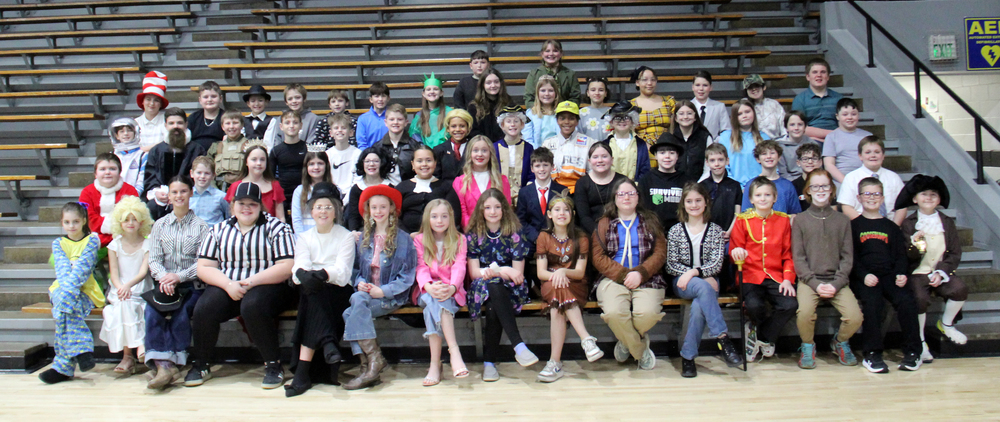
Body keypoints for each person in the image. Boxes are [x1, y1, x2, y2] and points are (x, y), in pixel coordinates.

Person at [188, 182, 297, 389]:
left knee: (252, 305)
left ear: (261, 206)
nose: (246, 208)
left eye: (252, 204)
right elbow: (204, 267)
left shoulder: (277, 227)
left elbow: (286, 266)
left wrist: (252, 282)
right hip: (229, 285)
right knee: (204, 308)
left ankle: (273, 365)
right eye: (241, 203)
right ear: (232, 205)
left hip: (269, 286)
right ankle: (201, 364)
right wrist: (228, 284)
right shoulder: (218, 230)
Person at [342, 185, 417, 390]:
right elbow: (356, 270)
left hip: (391, 296)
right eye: (374, 207)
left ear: (391, 209)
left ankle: (369, 364)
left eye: (383, 207)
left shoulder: (403, 240)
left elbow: (407, 277)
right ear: (368, 211)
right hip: (367, 295)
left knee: (350, 313)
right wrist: (359, 283)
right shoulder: (364, 238)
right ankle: (371, 366)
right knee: (357, 300)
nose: (378, 211)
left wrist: (382, 291)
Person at [284, 183, 356, 397]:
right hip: (313, 289)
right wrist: (307, 276)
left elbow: (342, 273)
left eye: (328, 207)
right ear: (312, 211)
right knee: (312, 292)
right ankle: (327, 342)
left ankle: (302, 374)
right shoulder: (305, 237)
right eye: (318, 207)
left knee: (313, 295)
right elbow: (299, 267)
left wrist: (322, 274)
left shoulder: (345, 236)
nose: (323, 211)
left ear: (336, 211)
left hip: (338, 291)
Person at [665, 183, 743, 377]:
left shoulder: (716, 230)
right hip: (683, 284)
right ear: (683, 204)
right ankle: (723, 338)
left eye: (698, 200)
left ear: (706, 202)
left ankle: (688, 357)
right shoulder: (675, 230)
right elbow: (671, 264)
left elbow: (717, 263)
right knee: (702, 287)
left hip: (709, 282)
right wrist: (692, 275)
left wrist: (694, 273)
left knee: (700, 306)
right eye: (689, 201)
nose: (694, 205)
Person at [592, 178, 666, 370]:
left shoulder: (650, 220)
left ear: (638, 197)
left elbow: (660, 252)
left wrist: (641, 273)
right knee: (614, 313)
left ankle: (626, 342)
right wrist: (624, 275)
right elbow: (598, 257)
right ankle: (639, 350)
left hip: (647, 278)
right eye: (621, 194)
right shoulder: (604, 223)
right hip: (613, 279)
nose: (627, 197)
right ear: (614, 198)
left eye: (631, 193)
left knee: (647, 314)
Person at [143, 176, 209, 390]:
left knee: (182, 314)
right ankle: (164, 366)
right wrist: (164, 277)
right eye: (174, 192)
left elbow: (203, 262)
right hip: (165, 285)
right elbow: (153, 259)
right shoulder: (160, 225)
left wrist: (178, 277)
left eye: (183, 191)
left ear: (190, 193)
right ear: (168, 196)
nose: (179, 195)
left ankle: (171, 364)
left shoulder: (202, 227)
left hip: (191, 285)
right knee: (152, 312)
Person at [466, 188, 539, 381]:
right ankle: (518, 345)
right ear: (481, 210)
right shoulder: (473, 235)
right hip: (481, 285)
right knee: (493, 287)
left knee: (493, 303)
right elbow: (474, 273)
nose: (492, 211)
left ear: (504, 209)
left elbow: (518, 274)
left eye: (497, 207)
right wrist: (502, 270)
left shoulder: (514, 233)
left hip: (511, 287)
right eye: (488, 207)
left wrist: (498, 273)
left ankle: (489, 363)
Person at [791, 169, 862, 369]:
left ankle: (840, 342)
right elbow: (799, 257)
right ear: (808, 191)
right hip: (809, 280)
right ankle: (807, 345)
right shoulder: (801, 220)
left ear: (831, 190)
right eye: (815, 186)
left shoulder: (842, 220)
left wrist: (837, 283)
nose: (820, 190)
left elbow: (847, 257)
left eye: (825, 186)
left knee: (855, 317)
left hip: (837, 280)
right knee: (804, 313)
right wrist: (814, 283)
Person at [850, 177, 922, 373]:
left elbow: (900, 255)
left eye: (876, 194)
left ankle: (913, 352)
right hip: (865, 277)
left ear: (882, 198)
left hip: (890, 275)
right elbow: (851, 256)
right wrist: (863, 275)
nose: (872, 198)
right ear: (859, 197)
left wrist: (901, 273)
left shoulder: (891, 227)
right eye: (867, 194)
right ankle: (872, 354)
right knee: (873, 304)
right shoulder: (853, 226)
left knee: (906, 301)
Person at [895, 175, 970, 363]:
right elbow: (908, 255)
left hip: (940, 270)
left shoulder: (947, 222)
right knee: (919, 298)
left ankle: (946, 324)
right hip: (918, 271)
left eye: (933, 195)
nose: (928, 198)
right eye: (924, 194)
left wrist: (941, 271)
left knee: (959, 288)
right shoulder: (909, 224)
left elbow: (954, 252)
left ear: (939, 199)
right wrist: (916, 244)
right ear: (915, 199)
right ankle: (920, 341)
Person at [535, 193, 604, 383]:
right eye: (557, 210)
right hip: (549, 283)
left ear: (572, 214)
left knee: (558, 306)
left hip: (575, 285)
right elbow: (542, 273)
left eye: (566, 210)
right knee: (557, 289)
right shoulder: (543, 236)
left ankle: (554, 363)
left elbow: (580, 272)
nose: (562, 213)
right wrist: (557, 275)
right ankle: (586, 339)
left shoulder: (581, 237)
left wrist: (563, 273)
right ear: (549, 214)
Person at [730, 177, 797, 363]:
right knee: (753, 305)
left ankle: (762, 337)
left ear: (775, 198)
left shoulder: (783, 221)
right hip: (750, 274)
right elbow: (734, 250)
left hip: (776, 275)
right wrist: (737, 252)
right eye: (758, 195)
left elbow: (788, 254)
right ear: (751, 199)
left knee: (790, 305)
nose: (763, 199)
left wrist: (787, 279)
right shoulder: (743, 221)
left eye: (767, 195)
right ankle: (754, 329)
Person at [38, 202, 102, 384]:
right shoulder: (58, 243)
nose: (71, 226)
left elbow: (82, 269)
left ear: (83, 221)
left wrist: (69, 294)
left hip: (86, 291)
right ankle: (82, 349)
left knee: (63, 310)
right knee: (65, 305)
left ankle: (63, 367)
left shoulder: (91, 241)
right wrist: (68, 293)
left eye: (75, 221)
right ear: (62, 223)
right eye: (67, 222)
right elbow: (62, 268)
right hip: (61, 289)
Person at [412, 199, 469, 386]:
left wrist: (452, 287)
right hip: (426, 289)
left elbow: (460, 267)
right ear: (427, 218)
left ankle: (434, 365)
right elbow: (420, 267)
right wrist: (428, 286)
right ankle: (454, 352)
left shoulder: (459, 239)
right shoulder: (419, 240)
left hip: (450, 290)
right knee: (432, 299)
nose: (439, 220)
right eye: (434, 216)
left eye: (444, 216)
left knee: (434, 306)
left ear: (451, 218)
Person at [100, 196, 152, 377]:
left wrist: (129, 286)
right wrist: (121, 287)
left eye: (134, 219)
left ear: (142, 221)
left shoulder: (147, 242)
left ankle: (129, 356)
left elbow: (143, 272)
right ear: (119, 222)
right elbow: (113, 273)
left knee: (129, 302)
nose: (130, 223)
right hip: (119, 287)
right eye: (126, 219)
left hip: (139, 286)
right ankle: (137, 348)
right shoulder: (114, 245)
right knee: (122, 303)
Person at [145, 107, 208, 221]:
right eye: (171, 123)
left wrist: (181, 192)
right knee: (150, 208)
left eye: (179, 123)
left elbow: (198, 175)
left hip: (188, 196)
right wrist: (158, 192)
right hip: (162, 197)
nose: (175, 126)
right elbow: (150, 176)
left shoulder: (196, 149)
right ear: (165, 125)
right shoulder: (157, 150)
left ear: (186, 124)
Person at [836, 136, 906, 224]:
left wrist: (894, 227)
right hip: (861, 226)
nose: (873, 155)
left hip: (890, 224)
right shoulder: (851, 178)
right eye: (868, 152)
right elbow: (847, 207)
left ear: (883, 155)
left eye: (877, 152)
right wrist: (865, 226)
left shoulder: (894, 178)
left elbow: (902, 207)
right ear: (860, 156)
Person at [396, 145, 462, 233]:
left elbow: (455, 215)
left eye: (428, 160)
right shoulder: (402, 187)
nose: (424, 164)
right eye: (419, 161)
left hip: (439, 237)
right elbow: (394, 216)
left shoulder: (445, 187)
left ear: (435, 163)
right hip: (407, 238)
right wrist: (407, 235)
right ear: (413, 164)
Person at [79, 153, 139, 247]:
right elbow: (88, 219)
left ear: (120, 172)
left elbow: (133, 218)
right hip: (94, 239)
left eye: (112, 169)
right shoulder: (87, 192)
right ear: (95, 174)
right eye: (102, 169)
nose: (107, 172)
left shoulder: (130, 191)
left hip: (125, 238)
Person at [453, 135, 511, 229]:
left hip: (498, 233)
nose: (480, 154)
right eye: (475, 150)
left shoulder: (502, 180)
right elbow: (462, 213)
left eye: (484, 150)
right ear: (469, 154)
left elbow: (506, 209)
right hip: (472, 235)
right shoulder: (459, 182)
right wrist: (476, 233)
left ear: (490, 153)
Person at [516, 147, 567, 253]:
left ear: (552, 167)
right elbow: (521, 220)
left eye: (545, 165)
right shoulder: (524, 192)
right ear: (532, 168)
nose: (542, 169)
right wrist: (536, 237)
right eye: (537, 166)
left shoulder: (562, 190)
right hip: (532, 239)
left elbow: (566, 217)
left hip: (556, 237)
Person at [574, 142, 629, 234]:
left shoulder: (623, 181)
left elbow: (629, 210)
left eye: (604, 156)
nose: (600, 160)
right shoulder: (582, 183)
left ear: (612, 160)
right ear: (589, 161)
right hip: (591, 232)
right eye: (595, 157)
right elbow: (584, 217)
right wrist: (599, 233)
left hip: (621, 230)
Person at [638, 133, 689, 231]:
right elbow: (642, 210)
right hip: (653, 231)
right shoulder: (646, 180)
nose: (667, 157)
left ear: (677, 156)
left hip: (681, 231)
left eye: (672, 153)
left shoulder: (686, 181)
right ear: (655, 155)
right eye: (662, 152)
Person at [542, 101, 594, 194]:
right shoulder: (547, 144)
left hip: (581, 191)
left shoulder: (589, 142)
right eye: (562, 118)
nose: (567, 122)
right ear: (557, 120)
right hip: (553, 191)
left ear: (577, 121)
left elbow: (592, 171)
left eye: (571, 118)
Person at [225, 143, 286, 221]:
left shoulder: (275, 186)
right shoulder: (236, 186)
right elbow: (234, 217)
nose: (259, 163)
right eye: (254, 159)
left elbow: (280, 217)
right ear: (246, 162)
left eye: (262, 160)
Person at [740, 140, 803, 215]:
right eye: (764, 154)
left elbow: (795, 214)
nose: (769, 156)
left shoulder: (787, 185)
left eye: (772, 153)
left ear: (779, 157)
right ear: (758, 159)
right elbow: (745, 213)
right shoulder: (751, 184)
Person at [718, 99, 769, 186]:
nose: (744, 116)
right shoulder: (725, 137)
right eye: (739, 114)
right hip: (734, 188)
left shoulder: (764, 137)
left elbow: (772, 165)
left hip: (760, 187)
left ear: (753, 113)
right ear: (734, 117)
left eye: (747, 112)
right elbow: (722, 166)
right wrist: (737, 187)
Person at [630, 66, 676, 160]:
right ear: (637, 82)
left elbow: (674, 129)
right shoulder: (630, 106)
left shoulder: (669, 102)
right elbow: (629, 132)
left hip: (667, 151)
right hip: (641, 151)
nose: (649, 83)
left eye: (653, 80)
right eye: (645, 80)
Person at [823, 98, 873, 185]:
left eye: (853, 114)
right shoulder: (831, 137)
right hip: (841, 181)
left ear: (858, 116)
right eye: (845, 114)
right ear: (837, 116)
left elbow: (873, 160)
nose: (849, 117)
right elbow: (829, 165)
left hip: (865, 179)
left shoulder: (868, 136)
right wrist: (847, 182)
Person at [791, 58, 843, 142]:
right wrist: (831, 135)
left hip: (837, 141)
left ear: (828, 76)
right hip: (810, 142)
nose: (819, 75)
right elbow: (798, 128)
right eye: (815, 72)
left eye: (823, 72)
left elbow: (845, 125)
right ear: (808, 77)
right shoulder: (800, 100)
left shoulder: (839, 98)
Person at [700, 143, 742, 243]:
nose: (717, 164)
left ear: (727, 161)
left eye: (720, 159)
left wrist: (729, 232)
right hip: (706, 236)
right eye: (712, 160)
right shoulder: (702, 186)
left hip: (729, 235)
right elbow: (699, 212)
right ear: (707, 162)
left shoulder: (735, 186)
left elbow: (738, 213)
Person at [270, 110, 308, 220]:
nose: (291, 126)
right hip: (283, 195)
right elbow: (271, 177)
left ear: (301, 125)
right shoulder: (276, 151)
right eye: (287, 122)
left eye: (295, 122)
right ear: (281, 126)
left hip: (304, 193)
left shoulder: (307, 149)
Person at [346, 146, 393, 232]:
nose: (371, 164)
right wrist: (354, 231)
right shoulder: (356, 188)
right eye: (367, 161)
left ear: (382, 163)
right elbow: (353, 215)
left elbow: (393, 214)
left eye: (376, 161)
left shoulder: (389, 187)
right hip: (362, 231)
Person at [291, 148, 338, 234]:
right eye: (311, 164)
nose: (316, 167)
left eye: (320, 163)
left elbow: (338, 218)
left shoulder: (334, 190)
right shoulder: (299, 191)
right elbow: (297, 219)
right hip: (305, 237)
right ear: (306, 167)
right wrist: (302, 240)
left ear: (326, 166)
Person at [601, 100, 650, 181]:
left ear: (632, 121)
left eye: (626, 117)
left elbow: (645, 170)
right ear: (611, 122)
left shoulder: (640, 144)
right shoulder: (605, 144)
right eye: (617, 117)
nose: (622, 120)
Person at [493, 104, 534, 201]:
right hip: (500, 195)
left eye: (516, 121)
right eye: (508, 121)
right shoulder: (494, 147)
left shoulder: (528, 148)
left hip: (523, 195)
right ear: (502, 125)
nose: (512, 124)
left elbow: (531, 174)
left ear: (522, 124)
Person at [523, 39, 580, 108]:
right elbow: (529, 98)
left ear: (561, 53)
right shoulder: (534, 73)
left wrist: (564, 110)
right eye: (547, 51)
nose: (551, 54)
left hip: (563, 114)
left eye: (555, 51)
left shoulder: (570, 74)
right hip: (540, 115)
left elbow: (575, 97)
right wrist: (539, 112)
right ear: (542, 54)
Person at [379, 103, 421, 185]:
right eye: (391, 119)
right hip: (386, 190)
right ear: (385, 122)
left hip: (409, 189)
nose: (396, 122)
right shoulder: (378, 147)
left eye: (400, 119)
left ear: (406, 122)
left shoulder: (415, 147)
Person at [671, 100, 713, 182]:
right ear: (676, 118)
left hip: (701, 185)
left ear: (695, 117)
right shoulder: (671, 139)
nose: (685, 117)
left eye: (689, 113)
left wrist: (699, 185)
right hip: (675, 187)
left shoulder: (705, 137)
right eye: (681, 114)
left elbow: (709, 167)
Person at [325, 113, 362, 204]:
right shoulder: (326, 154)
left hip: (352, 197)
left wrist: (345, 201)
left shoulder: (358, 154)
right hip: (331, 196)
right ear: (331, 133)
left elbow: (358, 180)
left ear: (351, 133)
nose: (340, 131)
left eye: (343, 128)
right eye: (336, 128)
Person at [208, 109, 249, 190]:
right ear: (222, 127)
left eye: (235, 123)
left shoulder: (249, 146)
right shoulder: (216, 146)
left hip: (241, 189)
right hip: (218, 189)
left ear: (242, 125)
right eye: (228, 123)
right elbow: (207, 168)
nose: (231, 126)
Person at [409, 73, 453, 148]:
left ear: (441, 93)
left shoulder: (450, 113)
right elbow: (414, 134)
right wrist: (423, 148)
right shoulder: (419, 115)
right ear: (423, 94)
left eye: (435, 89)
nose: (432, 92)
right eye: (428, 89)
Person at [468, 68, 512, 142]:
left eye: (496, 82)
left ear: (501, 83)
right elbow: (473, 132)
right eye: (488, 83)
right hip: (483, 147)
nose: (493, 85)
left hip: (505, 146)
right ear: (482, 85)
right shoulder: (474, 107)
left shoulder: (509, 104)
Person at [777, 110, 820, 181]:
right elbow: (783, 173)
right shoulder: (779, 146)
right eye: (792, 125)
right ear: (786, 128)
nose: (796, 128)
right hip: (790, 182)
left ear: (805, 127)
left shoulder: (813, 144)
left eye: (800, 124)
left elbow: (817, 168)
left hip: (811, 180)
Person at [110, 117, 147, 197]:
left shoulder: (142, 155)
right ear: (116, 135)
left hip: (134, 197)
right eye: (121, 131)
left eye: (129, 130)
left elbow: (141, 181)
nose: (126, 133)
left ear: (135, 133)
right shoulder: (112, 155)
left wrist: (133, 196)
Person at [188, 156, 231, 226]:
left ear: (213, 175)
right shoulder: (186, 196)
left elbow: (229, 218)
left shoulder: (221, 197)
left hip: (214, 234)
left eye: (207, 173)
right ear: (192, 173)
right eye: (199, 173)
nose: (202, 176)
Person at [433, 108, 473, 182]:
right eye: (453, 126)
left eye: (462, 126)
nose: (457, 129)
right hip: (446, 192)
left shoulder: (474, 148)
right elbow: (436, 178)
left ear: (468, 128)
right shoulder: (439, 150)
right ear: (448, 128)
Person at [743, 74, 786, 141]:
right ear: (746, 90)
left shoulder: (774, 104)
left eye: (757, 86)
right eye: (750, 87)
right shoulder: (743, 106)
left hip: (775, 143)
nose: (754, 89)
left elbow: (784, 129)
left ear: (764, 87)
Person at [135, 70, 170, 152]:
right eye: (148, 99)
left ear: (161, 104)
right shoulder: (135, 123)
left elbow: (167, 144)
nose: (152, 103)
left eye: (156, 100)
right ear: (142, 102)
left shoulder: (167, 121)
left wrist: (140, 151)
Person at [691, 71, 731, 139]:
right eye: (697, 85)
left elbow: (726, 131)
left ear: (711, 87)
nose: (701, 89)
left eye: (705, 85)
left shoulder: (719, 107)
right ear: (693, 87)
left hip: (713, 147)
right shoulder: (687, 107)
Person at [523, 75, 560, 148]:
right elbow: (528, 139)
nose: (547, 94)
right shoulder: (530, 114)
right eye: (543, 90)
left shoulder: (561, 113)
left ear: (556, 93)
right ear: (537, 93)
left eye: (551, 90)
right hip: (538, 153)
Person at [188, 80, 225, 151]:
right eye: (205, 97)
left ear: (220, 99)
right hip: (196, 155)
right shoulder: (193, 118)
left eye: (213, 96)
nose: (210, 100)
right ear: (200, 100)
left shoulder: (226, 117)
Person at [790, 143, 824, 212]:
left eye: (814, 158)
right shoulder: (793, 186)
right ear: (798, 162)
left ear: (820, 162)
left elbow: (833, 207)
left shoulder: (826, 183)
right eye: (805, 159)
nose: (810, 162)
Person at [242, 84, 278, 151]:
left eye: (260, 100)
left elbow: (269, 144)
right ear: (248, 103)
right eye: (253, 101)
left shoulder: (271, 121)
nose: (256, 104)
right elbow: (242, 142)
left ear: (266, 102)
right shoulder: (243, 120)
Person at [356, 82, 390, 150]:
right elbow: (362, 143)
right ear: (371, 99)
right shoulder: (363, 119)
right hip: (370, 157)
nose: (380, 99)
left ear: (388, 98)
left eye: (383, 96)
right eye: (376, 96)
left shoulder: (393, 118)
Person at [577, 77, 612, 142]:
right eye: (593, 90)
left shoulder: (612, 112)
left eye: (601, 90)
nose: (597, 93)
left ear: (606, 93)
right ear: (588, 93)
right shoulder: (581, 113)